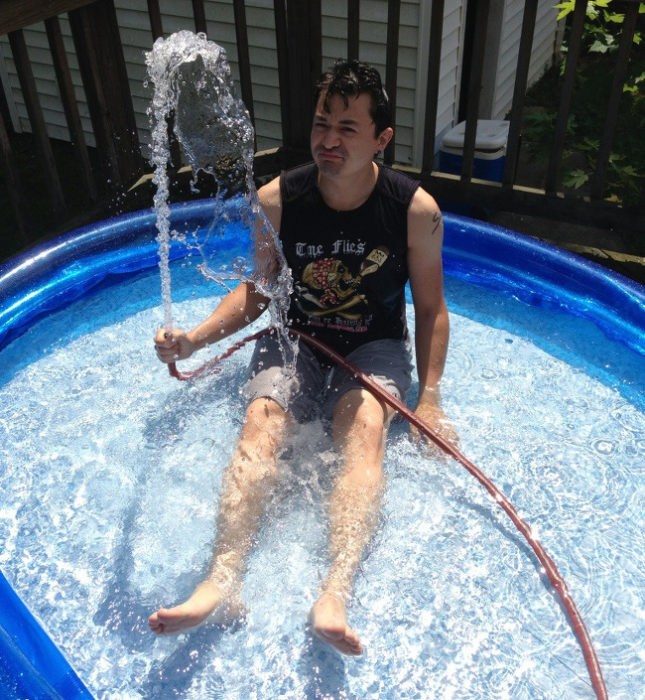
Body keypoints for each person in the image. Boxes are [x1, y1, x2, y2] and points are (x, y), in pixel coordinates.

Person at [149, 59, 453, 656]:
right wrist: (196, 338)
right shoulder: (278, 199)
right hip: (296, 341)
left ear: (381, 139)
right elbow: (260, 291)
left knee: (363, 428)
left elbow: (432, 308)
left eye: (347, 127)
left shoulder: (414, 210)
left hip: (375, 344)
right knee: (260, 426)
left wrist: (431, 397)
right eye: (321, 125)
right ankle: (221, 580)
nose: (328, 140)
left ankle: (334, 590)